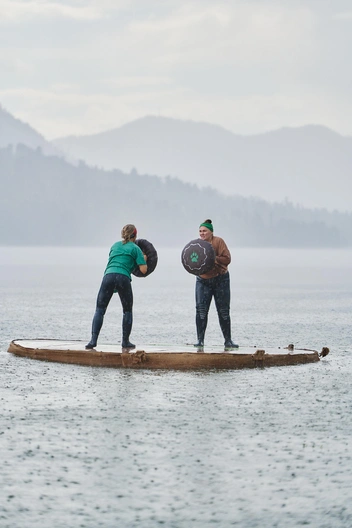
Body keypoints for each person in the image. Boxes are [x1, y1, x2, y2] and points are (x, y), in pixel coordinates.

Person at [85, 224, 147, 350]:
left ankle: (93, 340)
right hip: (123, 278)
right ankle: (125, 341)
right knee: (127, 310)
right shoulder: (136, 249)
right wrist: (143, 259)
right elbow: (143, 270)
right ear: (135, 235)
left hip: (108, 276)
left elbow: (115, 260)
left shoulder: (115, 245)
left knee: (100, 310)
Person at [194, 219, 238, 350]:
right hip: (203, 281)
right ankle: (200, 340)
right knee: (201, 311)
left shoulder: (219, 241)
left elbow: (227, 259)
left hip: (221, 280)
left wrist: (213, 257)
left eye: (205, 231)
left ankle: (228, 341)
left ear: (211, 232)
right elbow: (191, 261)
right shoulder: (197, 244)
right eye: (200, 231)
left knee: (223, 311)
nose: (202, 233)